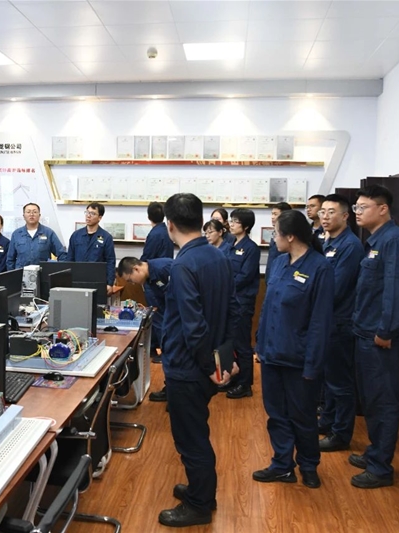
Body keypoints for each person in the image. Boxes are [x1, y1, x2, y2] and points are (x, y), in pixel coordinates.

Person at [157, 193, 238, 527]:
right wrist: (226, 361)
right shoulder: (219, 256)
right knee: (197, 432)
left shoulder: (183, 265)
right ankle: (200, 491)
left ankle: (200, 505)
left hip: (189, 367)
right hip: (207, 363)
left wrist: (211, 368)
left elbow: (193, 327)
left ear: (169, 225)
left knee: (191, 440)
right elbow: (233, 311)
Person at [254, 210, 334, 489]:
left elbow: (321, 321)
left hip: (299, 359)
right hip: (272, 355)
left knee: (303, 417)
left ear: (290, 236)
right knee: (276, 415)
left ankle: (309, 465)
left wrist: (313, 364)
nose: (273, 238)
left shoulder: (320, 268)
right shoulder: (278, 263)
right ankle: (282, 465)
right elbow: (268, 308)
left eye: (275, 233)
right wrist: (260, 345)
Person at [350, 184, 399, 489]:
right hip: (365, 331)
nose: (357, 212)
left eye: (363, 207)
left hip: (379, 337)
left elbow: (395, 290)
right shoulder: (376, 241)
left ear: (383, 209)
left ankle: (380, 468)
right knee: (370, 399)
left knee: (383, 401)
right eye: (356, 208)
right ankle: (374, 452)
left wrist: (386, 330)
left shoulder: (394, 241)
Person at [317, 195, 365, 452]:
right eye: (322, 211)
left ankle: (341, 433)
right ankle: (327, 421)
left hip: (340, 322)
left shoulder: (350, 245)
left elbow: (335, 288)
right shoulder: (326, 242)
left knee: (340, 382)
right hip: (325, 321)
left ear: (345, 216)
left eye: (331, 212)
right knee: (328, 378)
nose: (325, 216)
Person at [117, 256, 174, 401]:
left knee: (176, 360)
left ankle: (176, 395)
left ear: (136, 269)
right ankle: (170, 391)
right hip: (163, 323)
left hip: (175, 322)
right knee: (168, 359)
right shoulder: (147, 280)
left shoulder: (164, 268)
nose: (132, 283)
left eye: (130, 280)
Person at [225, 208, 260, 399]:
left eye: (236, 221)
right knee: (231, 342)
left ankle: (245, 384)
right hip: (229, 301)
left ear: (245, 226)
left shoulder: (251, 248)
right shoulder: (230, 243)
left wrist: (225, 286)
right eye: (231, 220)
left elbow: (245, 276)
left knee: (242, 343)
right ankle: (234, 377)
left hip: (242, 302)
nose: (231, 224)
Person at [141, 201, 174, 363]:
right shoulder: (167, 231)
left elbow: (146, 258)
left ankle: (163, 350)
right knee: (159, 313)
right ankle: (154, 347)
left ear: (149, 216)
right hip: (164, 276)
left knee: (157, 315)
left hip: (153, 277)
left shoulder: (154, 234)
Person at [67, 202, 116, 294]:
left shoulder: (106, 237)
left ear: (100, 217)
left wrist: (110, 283)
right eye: (87, 212)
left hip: (97, 280)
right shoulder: (76, 235)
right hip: (78, 280)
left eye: (92, 213)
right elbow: (69, 259)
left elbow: (110, 261)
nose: (88, 216)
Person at [6, 203, 66, 269]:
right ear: (24, 216)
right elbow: (10, 259)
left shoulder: (48, 233)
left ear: (39, 215)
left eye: (34, 212)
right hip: (21, 273)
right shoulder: (16, 234)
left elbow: (62, 255)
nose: (31, 214)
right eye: (28, 212)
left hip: (42, 273)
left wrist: (57, 271)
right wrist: (13, 274)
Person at [267, 202, 292, 266]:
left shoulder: (288, 235)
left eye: (275, 214)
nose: (272, 217)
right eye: (272, 214)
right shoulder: (274, 233)